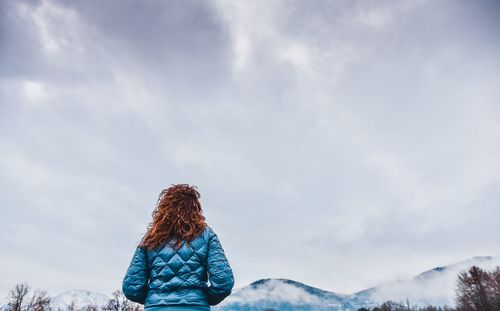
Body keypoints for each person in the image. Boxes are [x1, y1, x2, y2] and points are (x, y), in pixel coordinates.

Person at [122, 184, 234, 311]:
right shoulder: (207, 235)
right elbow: (224, 283)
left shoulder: (150, 239)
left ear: (164, 208)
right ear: (196, 209)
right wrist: (202, 298)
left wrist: (154, 299)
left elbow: (131, 288)